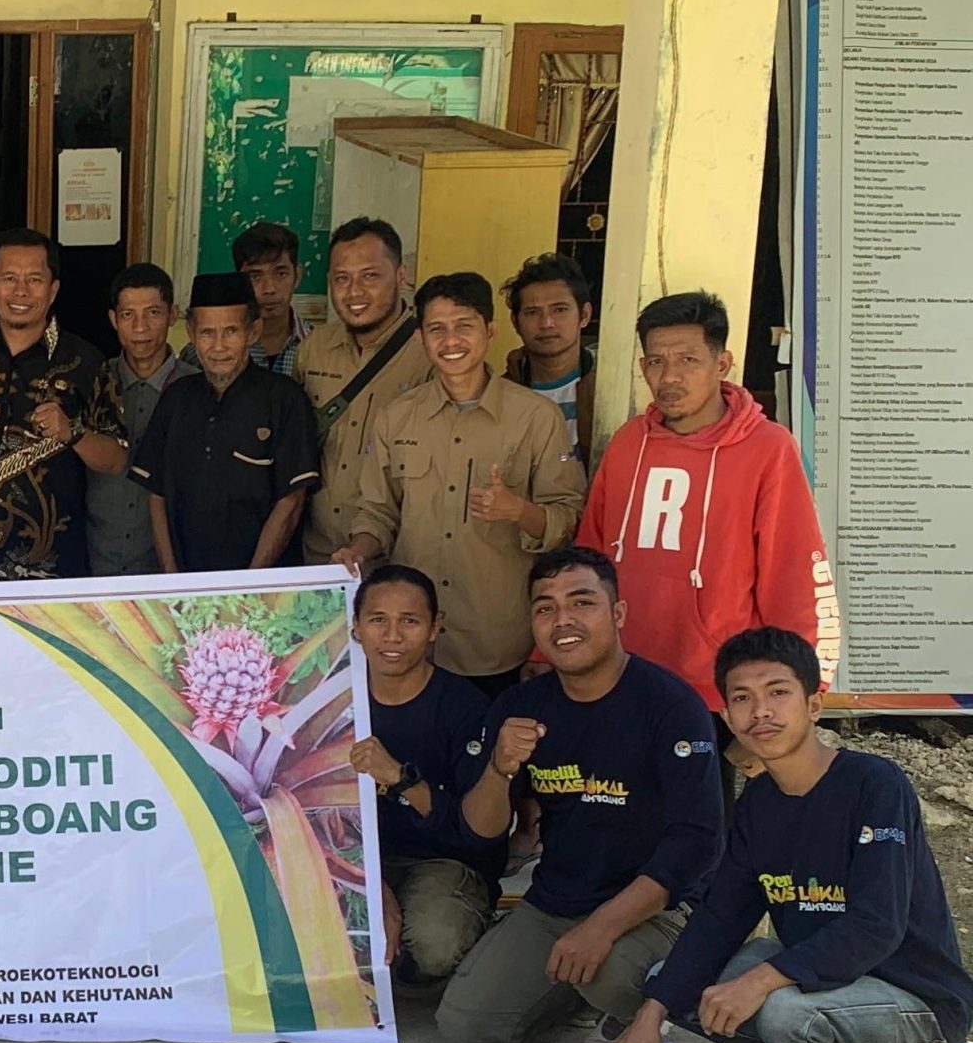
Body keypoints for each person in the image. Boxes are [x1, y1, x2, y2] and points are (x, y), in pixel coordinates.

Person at [616, 627, 971, 1043]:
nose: (761, 711)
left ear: (814, 704)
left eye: (778, 692)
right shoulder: (758, 804)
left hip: (917, 1003)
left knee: (780, 1009)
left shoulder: (874, 784)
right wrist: (652, 1012)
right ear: (729, 716)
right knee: (677, 982)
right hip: (827, 989)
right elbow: (720, 918)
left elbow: (876, 925)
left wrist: (759, 981)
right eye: (743, 698)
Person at [437, 548, 724, 1043]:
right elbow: (478, 832)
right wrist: (499, 770)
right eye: (544, 608)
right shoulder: (522, 707)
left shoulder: (671, 705)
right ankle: (579, 989)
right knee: (467, 1028)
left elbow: (697, 842)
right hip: (558, 900)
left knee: (614, 969)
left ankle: (631, 1006)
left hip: (659, 906)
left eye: (581, 602)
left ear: (617, 615)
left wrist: (601, 928)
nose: (562, 620)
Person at [578, 291, 837, 718]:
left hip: (715, 696)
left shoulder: (768, 449)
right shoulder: (628, 442)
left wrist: (792, 699)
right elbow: (589, 557)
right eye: (656, 361)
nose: (670, 377)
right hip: (618, 680)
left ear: (722, 364)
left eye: (688, 360)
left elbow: (792, 580)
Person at [335, 274, 587, 696]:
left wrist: (518, 511)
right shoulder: (396, 418)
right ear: (421, 338)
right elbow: (378, 512)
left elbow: (569, 518)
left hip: (496, 642)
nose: (451, 340)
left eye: (464, 325)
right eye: (437, 328)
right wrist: (358, 550)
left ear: (489, 331)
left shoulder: (536, 417)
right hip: (411, 642)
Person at [343, 565, 502, 988]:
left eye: (409, 621)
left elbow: (474, 831)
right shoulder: (336, 700)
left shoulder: (465, 707)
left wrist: (399, 777)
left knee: (434, 945)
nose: (392, 636)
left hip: (441, 861)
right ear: (356, 627)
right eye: (378, 620)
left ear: (435, 628)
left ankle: (477, 936)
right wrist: (373, 889)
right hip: (352, 859)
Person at [0, 231, 124, 581]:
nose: (21, 291)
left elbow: (116, 458)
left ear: (53, 289)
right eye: (9, 279)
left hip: (49, 577)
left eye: (34, 280)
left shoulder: (84, 361)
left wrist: (72, 433)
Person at [128, 274, 318, 574]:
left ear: (253, 331)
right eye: (207, 333)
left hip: (262, 590)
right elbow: (157, 494)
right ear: (190, 332)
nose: (218, 347)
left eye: (230, 331)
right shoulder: (176, 397)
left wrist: (247, 586)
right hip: (184, 586)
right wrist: (171, 577)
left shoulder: (284, 398)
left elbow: (291, 502)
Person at [291, 217, 429, 562]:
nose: (354, 292)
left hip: (398, 559)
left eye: (370, 276)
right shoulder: (314, 349)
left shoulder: (428, 353)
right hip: (320, 554)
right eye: (342, 279)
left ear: (401, 275)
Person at [82, 262, 192, 577]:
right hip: (95, 560)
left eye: (153, 313)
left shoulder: (197, 389)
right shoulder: (94, 380)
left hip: (169, 567)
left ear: (173, 315)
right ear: (113, 320)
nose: (140, 327)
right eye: (128, 315)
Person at [502, 253, 599, 464]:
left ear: (584, 315)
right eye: (532, 312)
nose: (546, 323)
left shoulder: (608, 390)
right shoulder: (500, 394)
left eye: (560, 310)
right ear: (515, 322)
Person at [232, 222, 309, 376]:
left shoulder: (321, 348)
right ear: (239, 281)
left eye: (280, 274)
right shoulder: (211, 351)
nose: (269, 289)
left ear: (297, 276)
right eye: (255, 277)